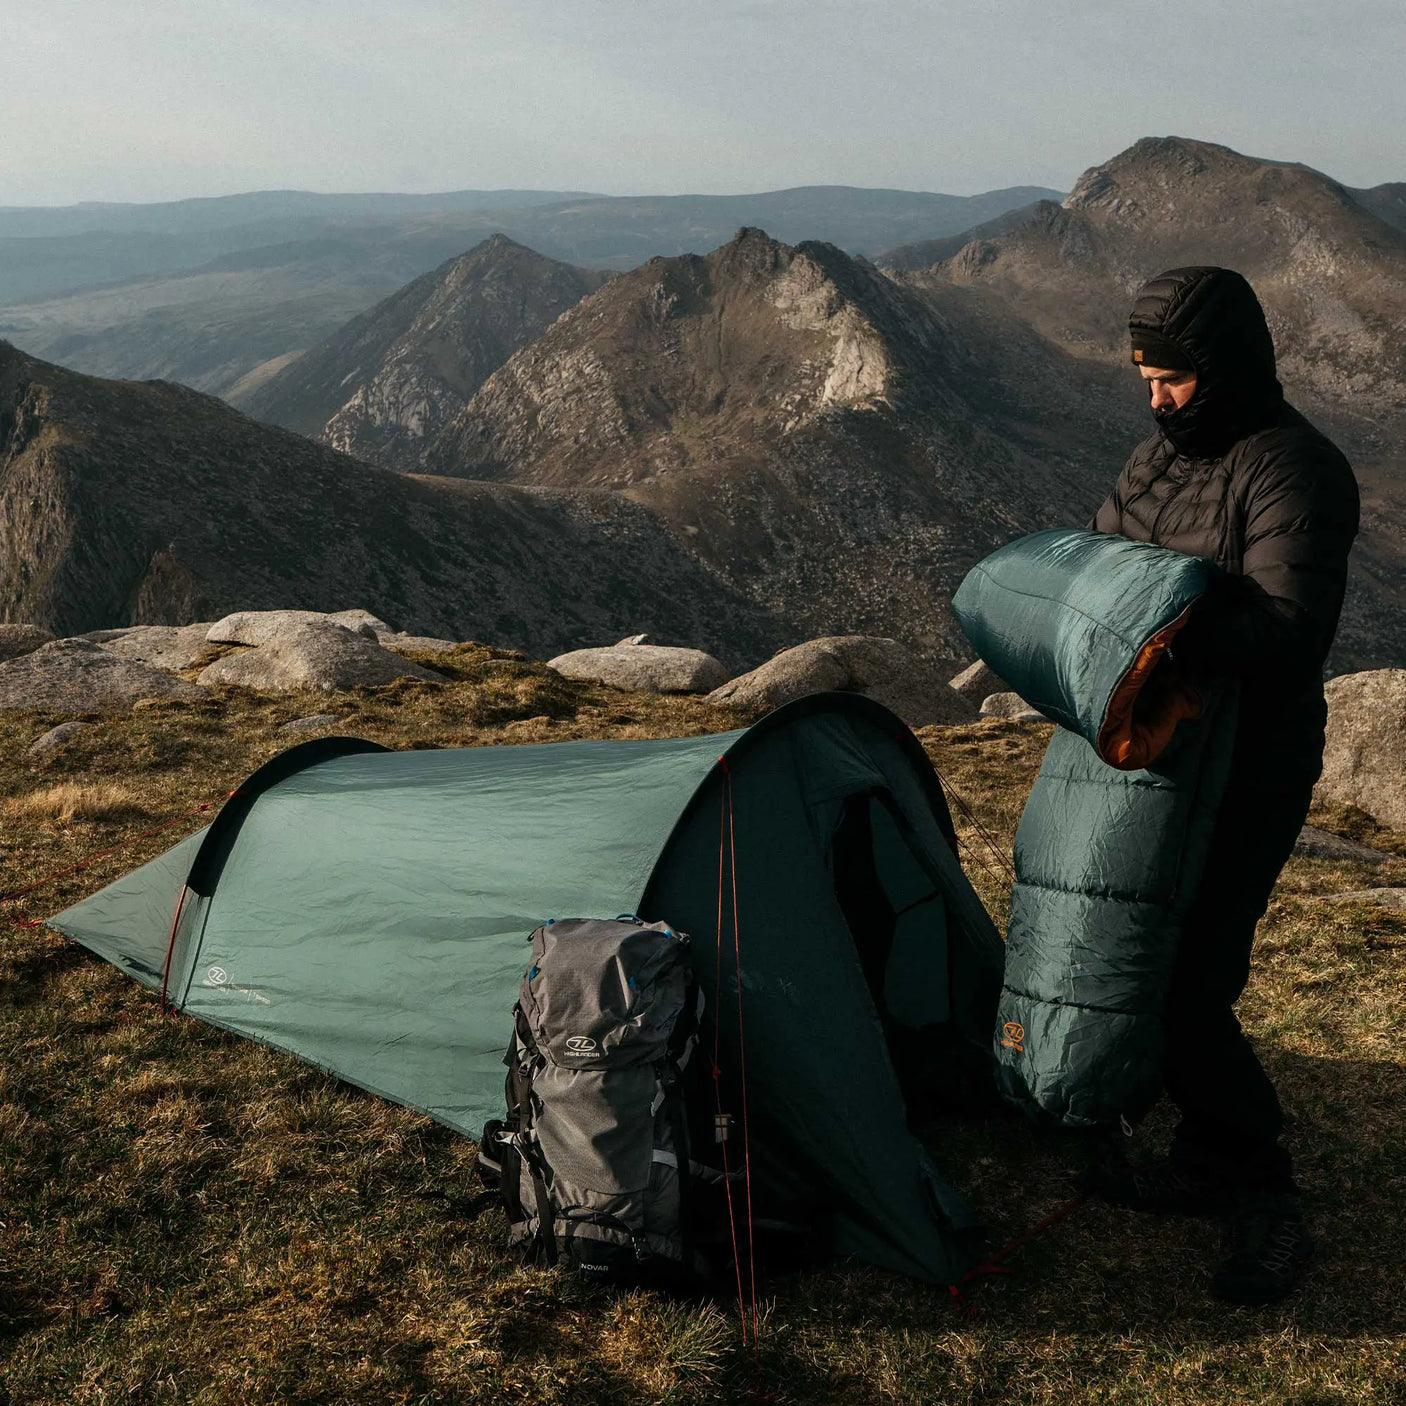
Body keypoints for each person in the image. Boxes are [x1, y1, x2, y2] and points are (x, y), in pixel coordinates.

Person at [1083, 266, 1360, 1304]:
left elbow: (1289, 631)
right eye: (1145, 375)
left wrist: (1162, 634)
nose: (1154, 396)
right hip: (1160, 755)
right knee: (1150, 956)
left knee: (1193, 975)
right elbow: (1102, 560)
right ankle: (1201, 1152)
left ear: (1226, 368)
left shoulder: (1293, 467)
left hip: (1250, 760)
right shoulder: (1158, 460)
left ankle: (1260, 1187)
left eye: (1173, 377)